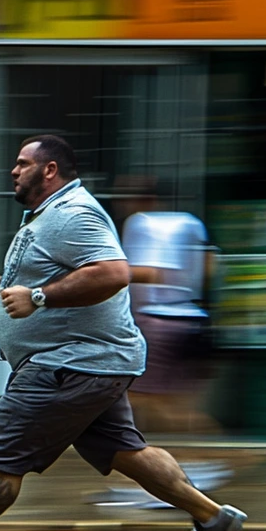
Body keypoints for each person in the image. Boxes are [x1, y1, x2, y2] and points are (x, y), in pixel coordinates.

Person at [0, 135, 247, 531]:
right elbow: (49, 274)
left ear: (49, 170)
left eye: (23, 163)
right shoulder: (48, 216)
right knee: (126, 452)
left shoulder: (73, 214)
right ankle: (214, 518)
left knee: (2, 449)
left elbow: (113, 273)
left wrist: (39, 298)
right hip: (90, 364)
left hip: (70, 364)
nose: (14, 170)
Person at [90, 176, 232, 508]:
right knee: (167, 404)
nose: (122, 204)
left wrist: (104, 272)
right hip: (189, 318)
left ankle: (168, 477)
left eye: (126, 197)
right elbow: (212, 265)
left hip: (160, 321)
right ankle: (195, 468)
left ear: (142, 199)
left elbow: (154, 273)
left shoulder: (143, 225)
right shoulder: (188, 223)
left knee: (139, 401)